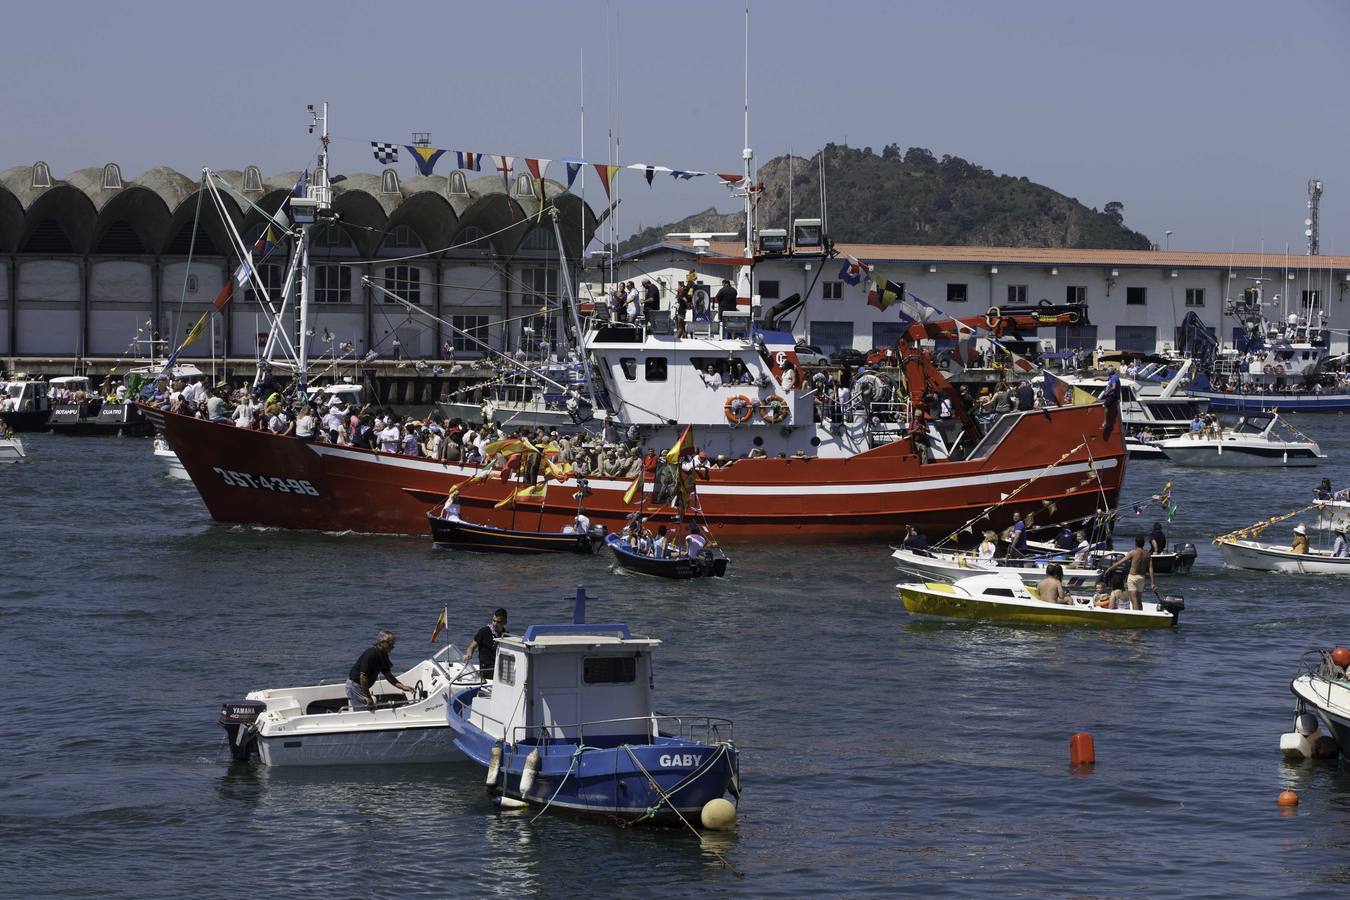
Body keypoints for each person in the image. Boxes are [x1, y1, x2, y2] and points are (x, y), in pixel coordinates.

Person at [346, 630, 416, 711]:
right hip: (355, 686)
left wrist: (403, 687)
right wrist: (368, 697)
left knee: (369, 710)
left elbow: (388, 675)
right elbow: (363, 677)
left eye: (393, 644)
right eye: (390, 644)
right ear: (381, 642)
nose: (393, 647)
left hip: (361, 686)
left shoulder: (383, 655)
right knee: (364, 713)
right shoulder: (371, 654)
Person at [1101, 533, 1154, 611]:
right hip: (1142, 577)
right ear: (1143, 544)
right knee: (1139, 599)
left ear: (1135, 543)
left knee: (1134, 599)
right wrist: (1153, 583)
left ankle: (1136, 617)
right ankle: (1141, 614)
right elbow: (1150, 568)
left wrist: (1110, 568)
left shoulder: (1133, 552)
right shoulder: (1147, 554)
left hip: (1133, 577)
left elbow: (1121, 562)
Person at [462, 608, 509, 681]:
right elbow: (471, 647)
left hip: (500, 671)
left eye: (498, 622)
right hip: (486, 670)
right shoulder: (484, 632)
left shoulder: (506, 636)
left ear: (505, 622)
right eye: (494, 621)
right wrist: (469, 655)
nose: (495, 624)